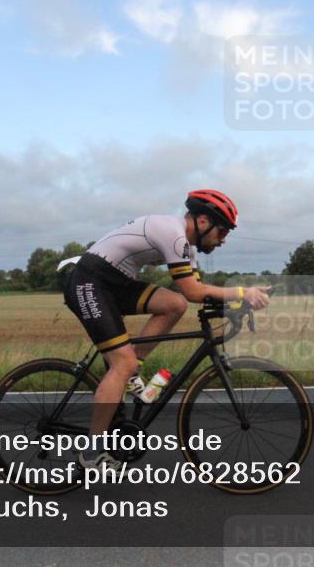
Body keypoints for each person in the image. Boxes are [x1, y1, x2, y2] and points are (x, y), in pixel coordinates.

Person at [59, 189, 270, 472]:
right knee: (123, 362)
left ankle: (130, 372)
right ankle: (92, 452)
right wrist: (242, 292)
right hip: (90, 282)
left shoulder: (187, 248)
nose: (223, 240)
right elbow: (194, 290)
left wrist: (232, 303)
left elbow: (197, 293)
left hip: (113, 284)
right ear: (204, 221)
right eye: (223, 231)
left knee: (173, 304)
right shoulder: (173, 233)